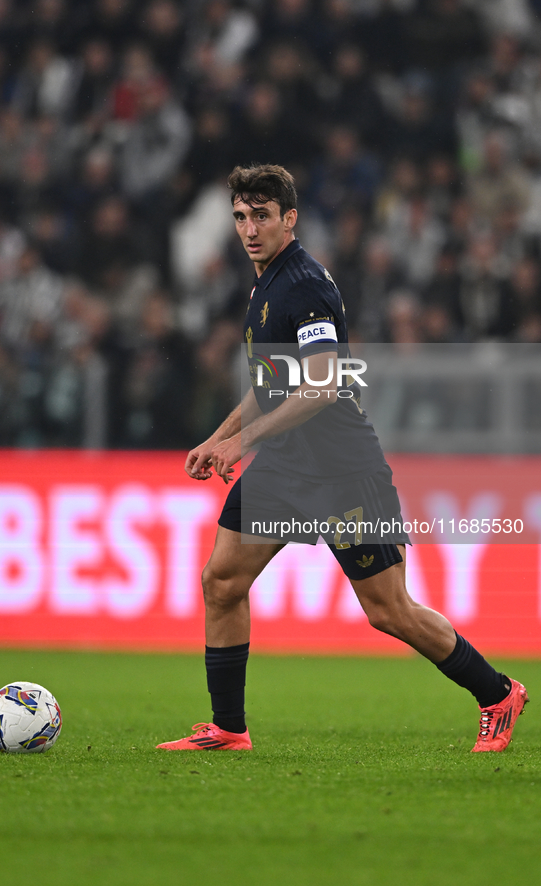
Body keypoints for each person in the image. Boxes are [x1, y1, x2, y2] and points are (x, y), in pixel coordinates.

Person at [157, 164, 528, 753]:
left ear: (289, 219)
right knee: (221, 581)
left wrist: (240, 444)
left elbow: (323, 385)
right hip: (283, 465)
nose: (249, 228)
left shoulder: (302, 285)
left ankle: (498, 692)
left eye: (261, 216)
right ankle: (229, 728)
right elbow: (274, 381)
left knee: (389, 611)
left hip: (340, 472)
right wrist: (220, 436)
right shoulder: (266, 283)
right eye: (240, 217)